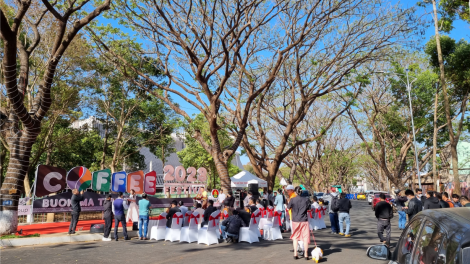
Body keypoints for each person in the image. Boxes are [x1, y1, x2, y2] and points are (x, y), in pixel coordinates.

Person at [286, 185, 311, 260]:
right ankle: (306, 254)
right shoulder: (306, 200)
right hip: (304, 220)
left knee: (295, 237)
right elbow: (309, 210)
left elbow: (288, 208)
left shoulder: (292, 200)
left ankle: (295, 254)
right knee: (305, 237)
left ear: (295, 192)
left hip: (295, 220)